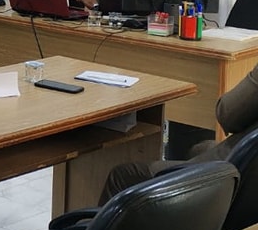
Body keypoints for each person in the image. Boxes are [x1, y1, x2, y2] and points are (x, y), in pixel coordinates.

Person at [99, 61, 258, 203]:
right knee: (198, 148)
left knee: (122, 175)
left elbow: (227, 115)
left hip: (230, 176)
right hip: (248, 178)